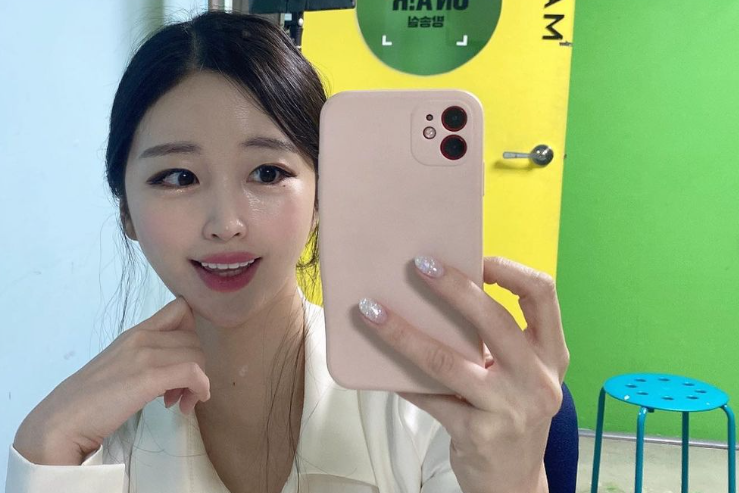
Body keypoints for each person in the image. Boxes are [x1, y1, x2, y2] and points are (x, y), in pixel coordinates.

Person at [6, 10, 569, 493]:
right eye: (178, 177)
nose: (226, 224)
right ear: (126, 211)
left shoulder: (432, 408)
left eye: (268, 173)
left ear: (323, 196)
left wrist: (514, 478)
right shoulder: (94, 436)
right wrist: (43, 450)